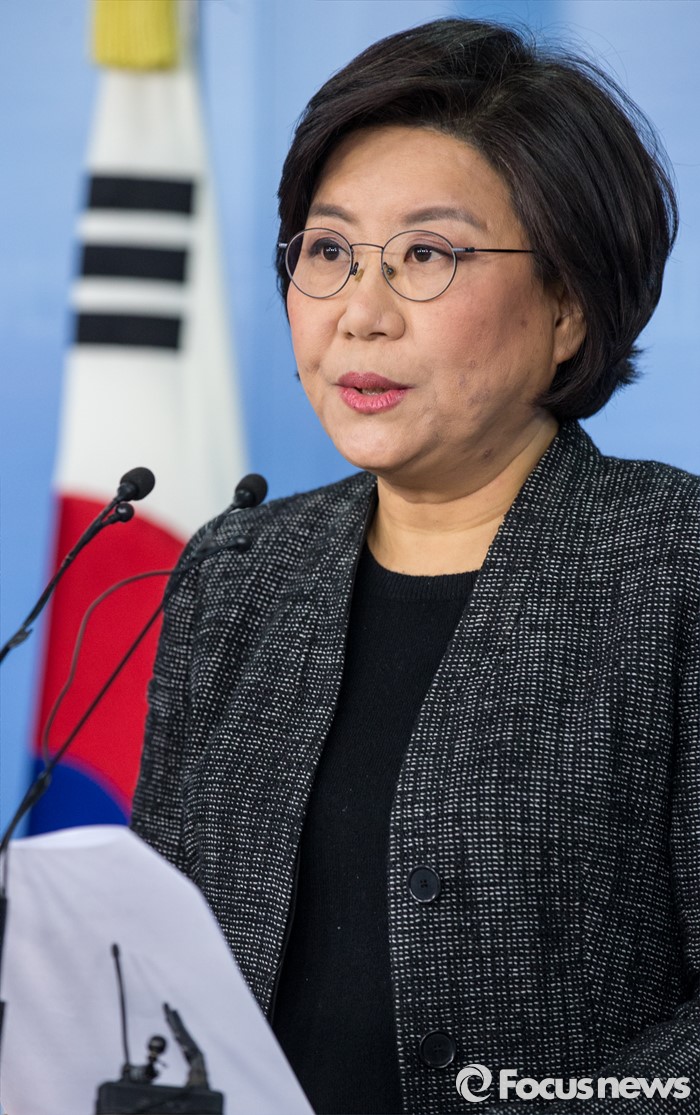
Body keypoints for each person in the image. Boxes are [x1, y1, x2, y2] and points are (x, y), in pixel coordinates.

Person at [131, 18, 699, 1115]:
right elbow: (160, 954)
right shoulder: (237, 573)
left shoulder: (672, 566)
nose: (361, 313)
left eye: (427, 256)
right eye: (328, 251)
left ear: (568, 306)